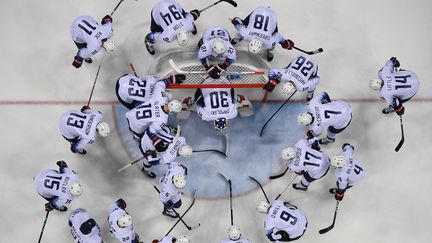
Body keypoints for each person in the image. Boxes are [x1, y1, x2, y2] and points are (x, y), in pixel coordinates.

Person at [180, 76, 253, 132]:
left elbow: (233, 103)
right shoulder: (206, 116)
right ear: (214, 122)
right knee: (198, 102)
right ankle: (188, 101)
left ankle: (241, 98)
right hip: (206, 83)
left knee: (232, 99)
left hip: (225, 82)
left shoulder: (232, 114)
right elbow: (199, 103)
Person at [230, 6, 294, 62]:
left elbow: (278, 36)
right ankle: (270, 52)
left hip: (263, 12)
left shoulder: (268, 42)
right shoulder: (268, 42)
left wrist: (285, 43)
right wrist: (285, 43)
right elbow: (278, 37)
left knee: (244, 31)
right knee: (272, 44)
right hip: (268, 14)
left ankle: (238, 38)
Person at [116, 73, 185, 110]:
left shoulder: (153, 80)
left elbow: (164, 81)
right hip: (121, 94)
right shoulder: (152, 101)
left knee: (139, 79)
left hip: (123, 78)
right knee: (135, 109)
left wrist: (173, 79)